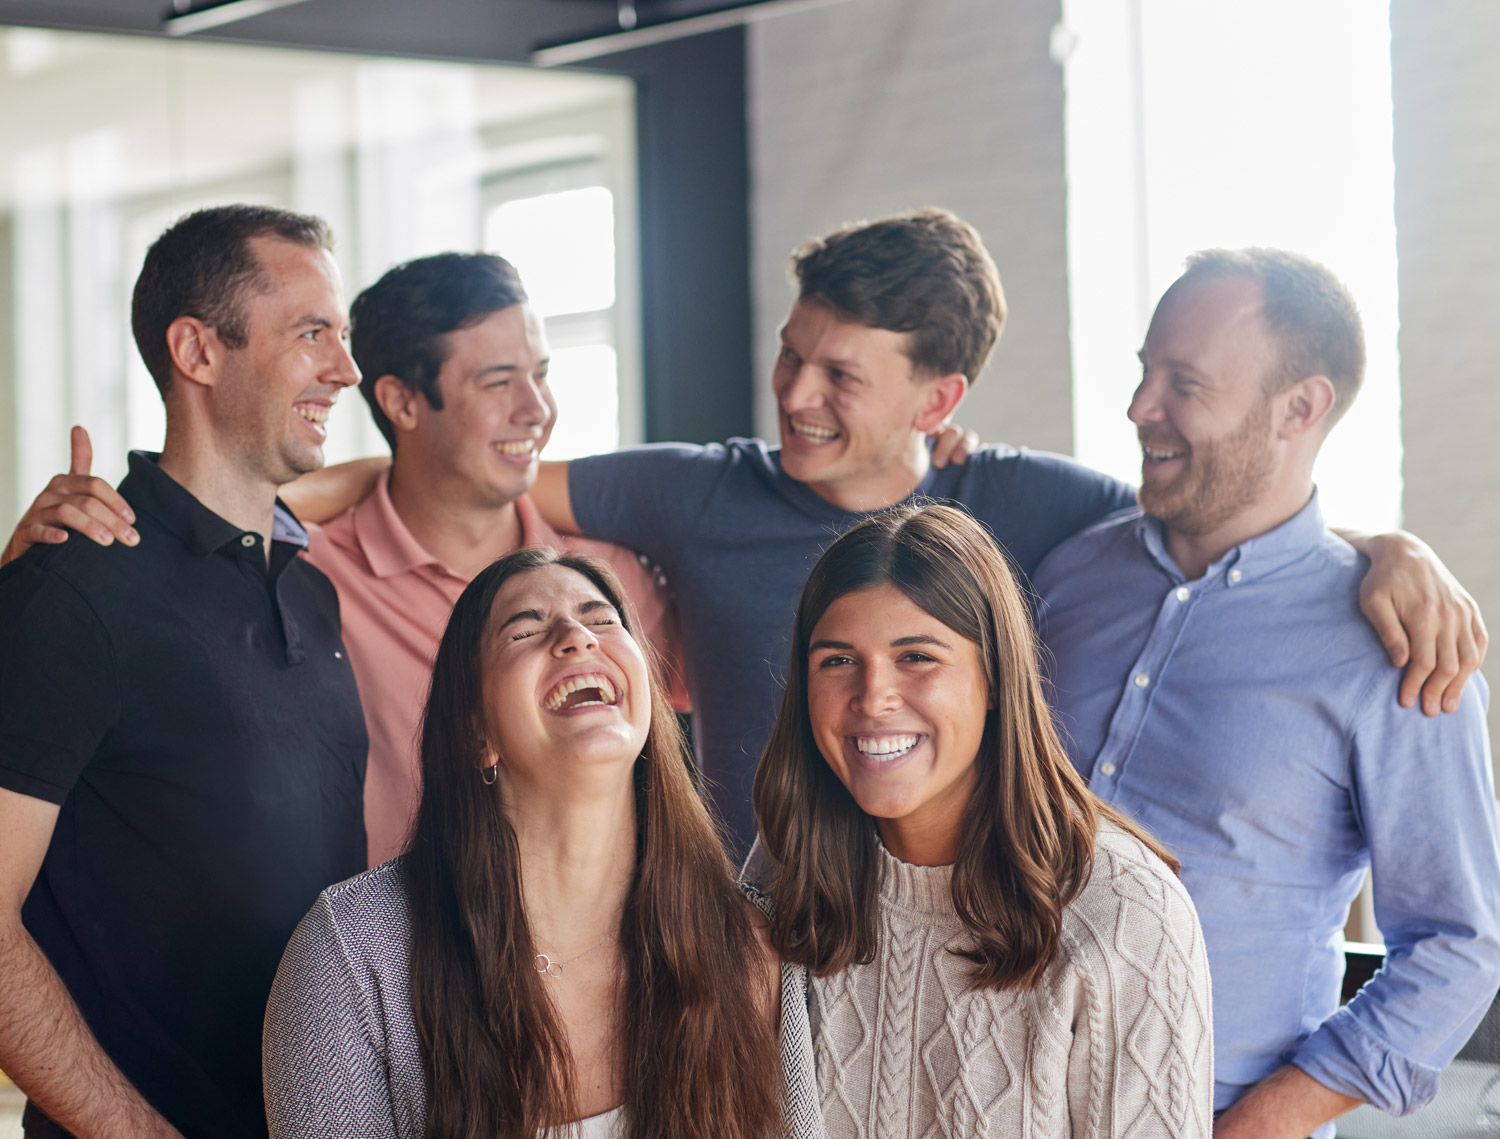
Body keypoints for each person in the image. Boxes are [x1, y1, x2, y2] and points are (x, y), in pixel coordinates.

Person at [259, 208, 1485, 857]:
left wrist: (1385, 548)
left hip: (960, 962)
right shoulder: (697, 491)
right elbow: (479, 469)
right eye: (792, 356)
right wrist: (278, 491)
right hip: (752, 955)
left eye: (840, 378)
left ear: (938, 402)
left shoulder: (1034, 506)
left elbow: (1220, 520)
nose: (793, 397)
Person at [1033, 248, 1500, 1139]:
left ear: (1301, 406)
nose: (1141, 405)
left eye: (1184, 383)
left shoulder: (1394, 645)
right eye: (1146, 370)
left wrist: (1261, 1128)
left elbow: (1460, 942)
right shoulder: (1066, 576)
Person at [262, 547, 839, 1139]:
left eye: (602, 619)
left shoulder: (743, 938)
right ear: (477, 733)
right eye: (527, 629)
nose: (576, 636)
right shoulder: (353, 956)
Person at [0, 206, 369, 1139]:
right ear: (197, 350)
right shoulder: (76, 586)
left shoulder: (306, 588)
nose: (345, 369)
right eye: (311, 333)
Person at [7, 250, 684, 867]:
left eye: (540, 375)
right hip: (382, 972)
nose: (536, 409)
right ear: (398, 401)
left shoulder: (615, 585)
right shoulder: (305, 579)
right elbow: (204, 520)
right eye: (499, 382)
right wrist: (34, 561)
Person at [746, 502, 1216, 1139]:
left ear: (995, 677)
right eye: (837, 659)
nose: (871, 697)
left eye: (917, 657)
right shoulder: (783, 876)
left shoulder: (1122, 910)